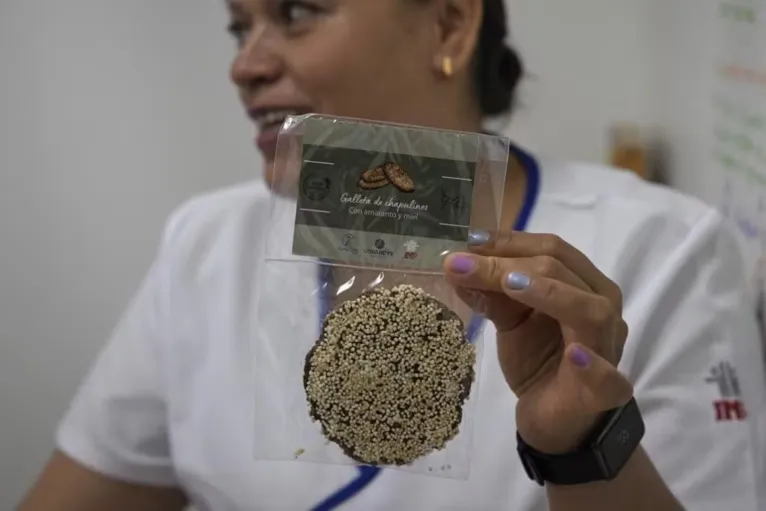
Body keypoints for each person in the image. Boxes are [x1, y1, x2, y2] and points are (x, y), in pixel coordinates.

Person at [19, 0, 766, 509]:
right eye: (237, 27)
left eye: (297, 11)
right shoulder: (207, 242)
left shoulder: (664, 250)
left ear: (448, 23)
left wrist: (581, 447)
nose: (244, 66)